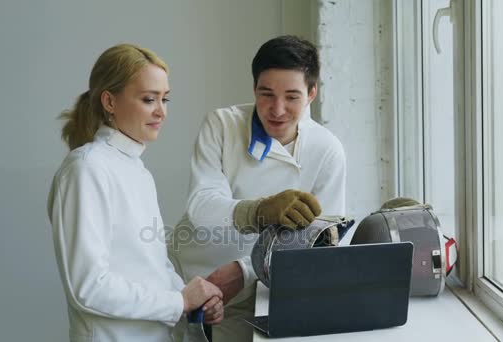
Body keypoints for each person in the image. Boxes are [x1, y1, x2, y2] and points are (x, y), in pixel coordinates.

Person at [168, 35, 347, 342]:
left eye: (292, 97)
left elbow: (321, 245)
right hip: (188, 281)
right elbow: (202, 206)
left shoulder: (327, 150)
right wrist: (260, 210)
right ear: (254, 89)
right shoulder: (221, 125)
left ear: (311, 93)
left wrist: (245, 271)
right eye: (266, 94)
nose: (277, 109)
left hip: (260, 291)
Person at [47, 43, 224, 342]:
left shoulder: (138, 171)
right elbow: (88, 287)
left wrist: (191, 300)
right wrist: (178, 302)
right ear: (109, 101)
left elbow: (153, 266)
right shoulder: (86, 169)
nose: (161, 111)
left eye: (165, 99)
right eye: (148, 99)